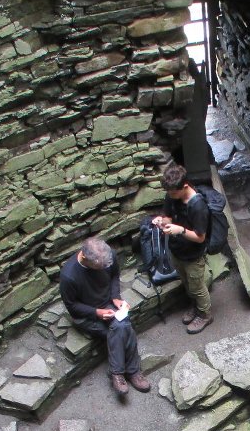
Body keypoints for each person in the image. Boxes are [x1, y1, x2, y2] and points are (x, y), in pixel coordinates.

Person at [60, 236, 151, 396]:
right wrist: (97, 313)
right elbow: (72, 307)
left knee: (121, 325)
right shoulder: (69, 275)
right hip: (86, 314)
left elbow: (115, 275)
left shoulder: (107, 256)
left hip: (108, 304)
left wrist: (116, 297)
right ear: (85, 258)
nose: (104, 268)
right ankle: (132, 371)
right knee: (122, 327)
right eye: (99, 267)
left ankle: (118, 374)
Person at [152, 163, 212, 334]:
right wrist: (161, 221)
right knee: (187, 283)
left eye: (173, 193)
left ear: (185, 186)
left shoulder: (198, 207)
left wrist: (181, 230)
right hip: (177, 250)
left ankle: (205, 314)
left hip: (193, 255)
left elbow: (200, 238)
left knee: (197, 287)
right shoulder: (172, 195)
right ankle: (195, 306)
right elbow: (168, 217)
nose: (170, 196)